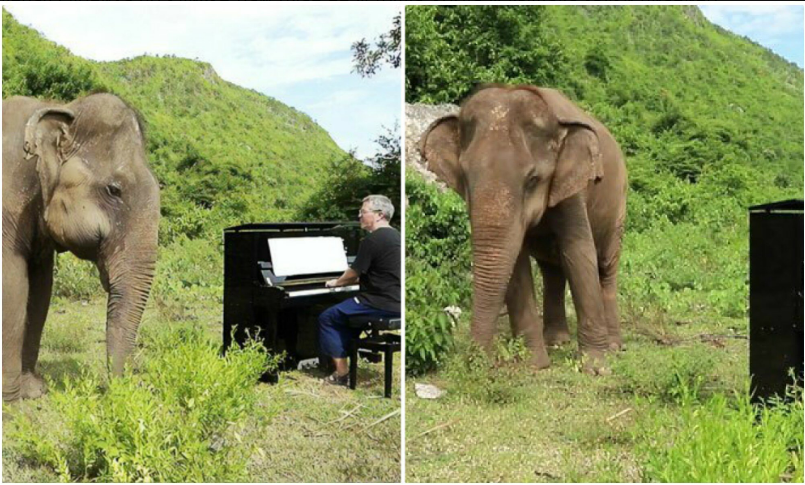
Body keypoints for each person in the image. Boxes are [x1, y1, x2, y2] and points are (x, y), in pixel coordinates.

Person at [318, 194, 401, 386]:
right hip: (396, 302)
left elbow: (352, 275)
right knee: (346, 316)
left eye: (363, 212)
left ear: (379, 215)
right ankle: (341, 356)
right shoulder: (396, 236)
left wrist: (335, 283)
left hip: (377, 302)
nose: (359, 216)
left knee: (327, 317)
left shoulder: (372, 240)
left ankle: (341, 374)